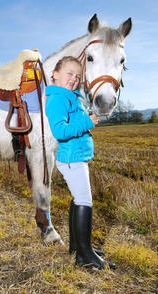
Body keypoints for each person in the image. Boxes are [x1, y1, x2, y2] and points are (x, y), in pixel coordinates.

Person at [45, 56, 115, 270]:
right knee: (84, 200)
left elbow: (74, 122)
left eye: (77, 76)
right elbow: (60, 131)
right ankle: (85, 256)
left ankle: (77, 247)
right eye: (69, 73)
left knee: (78, 199)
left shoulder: (70, 97)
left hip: (76, 157)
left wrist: (87, 117)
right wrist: (86, 121)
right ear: (55, 75)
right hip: (71, 159)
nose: (74, 79)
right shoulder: (57, 99)